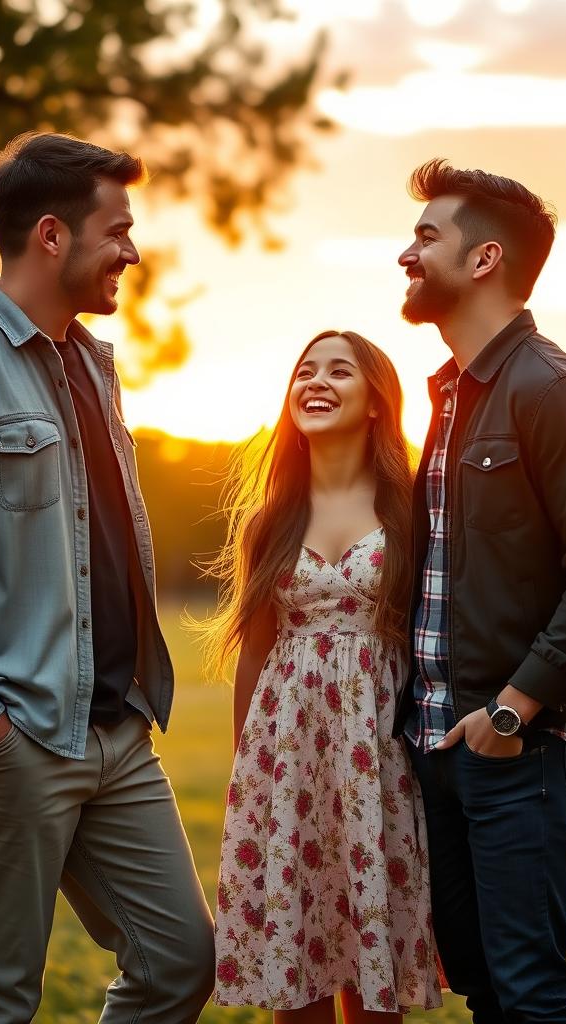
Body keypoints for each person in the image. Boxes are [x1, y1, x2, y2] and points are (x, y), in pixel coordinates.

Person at [0, 132, 215, 1023]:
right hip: (9, 737)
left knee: (181, 960)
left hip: (117, 734)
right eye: (118, 229)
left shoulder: (93, 364)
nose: (132, 251)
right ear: (52, 236)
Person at [392, 159, 566, 1023]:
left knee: (533, 991)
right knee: (488, 990)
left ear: (485, 260)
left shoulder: (553, 391)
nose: (406, 253)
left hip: (516, 747)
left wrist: (511, 713)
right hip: (439, 743)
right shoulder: (453, 395)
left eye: (427, 236)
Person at [204, 330, 442, 1022]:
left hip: (379, 765)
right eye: (305, 371)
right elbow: (254, 652)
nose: (317, 381)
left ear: (375, 401)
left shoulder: (410, 509)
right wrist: (250, 774)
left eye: (340, 371)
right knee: (297, 972)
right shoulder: (272, 520)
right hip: (288, 769)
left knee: (373, 981)